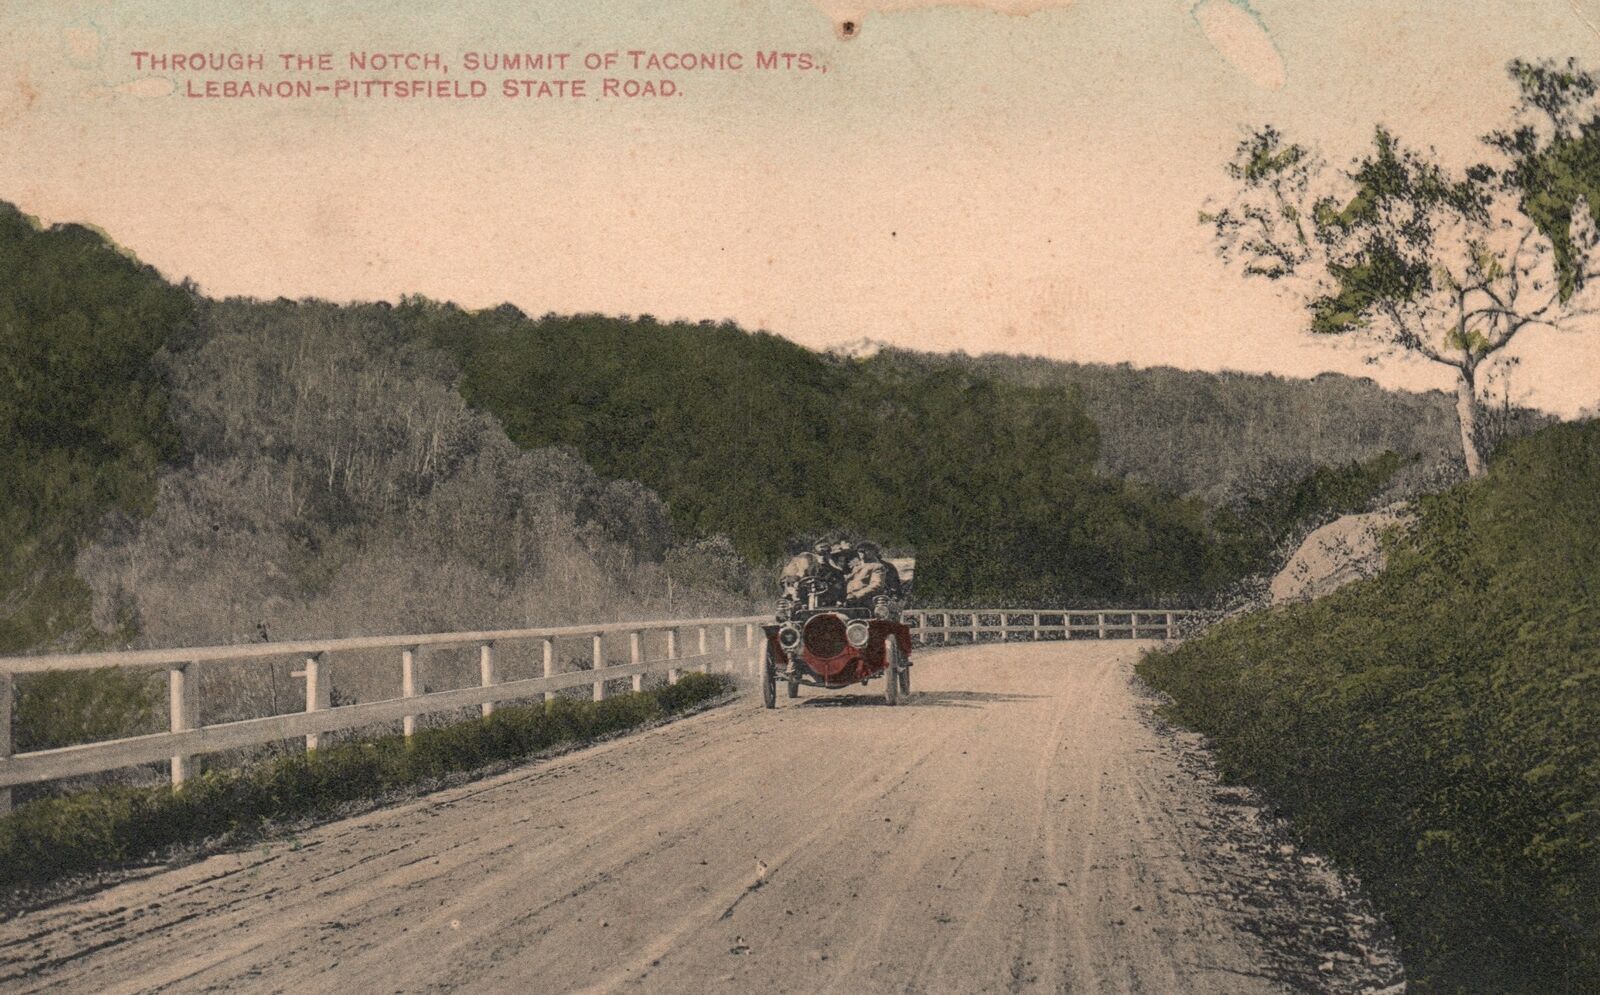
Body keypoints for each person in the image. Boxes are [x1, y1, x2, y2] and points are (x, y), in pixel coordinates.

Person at [845, 541, 901, 608]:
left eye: (864, 551)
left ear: (873, 552)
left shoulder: (878, 566)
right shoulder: (857, 566)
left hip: (865, 601)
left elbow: (876, 585)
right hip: (850, 600)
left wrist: (856, 595)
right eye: (859, 551)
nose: (861, 553)